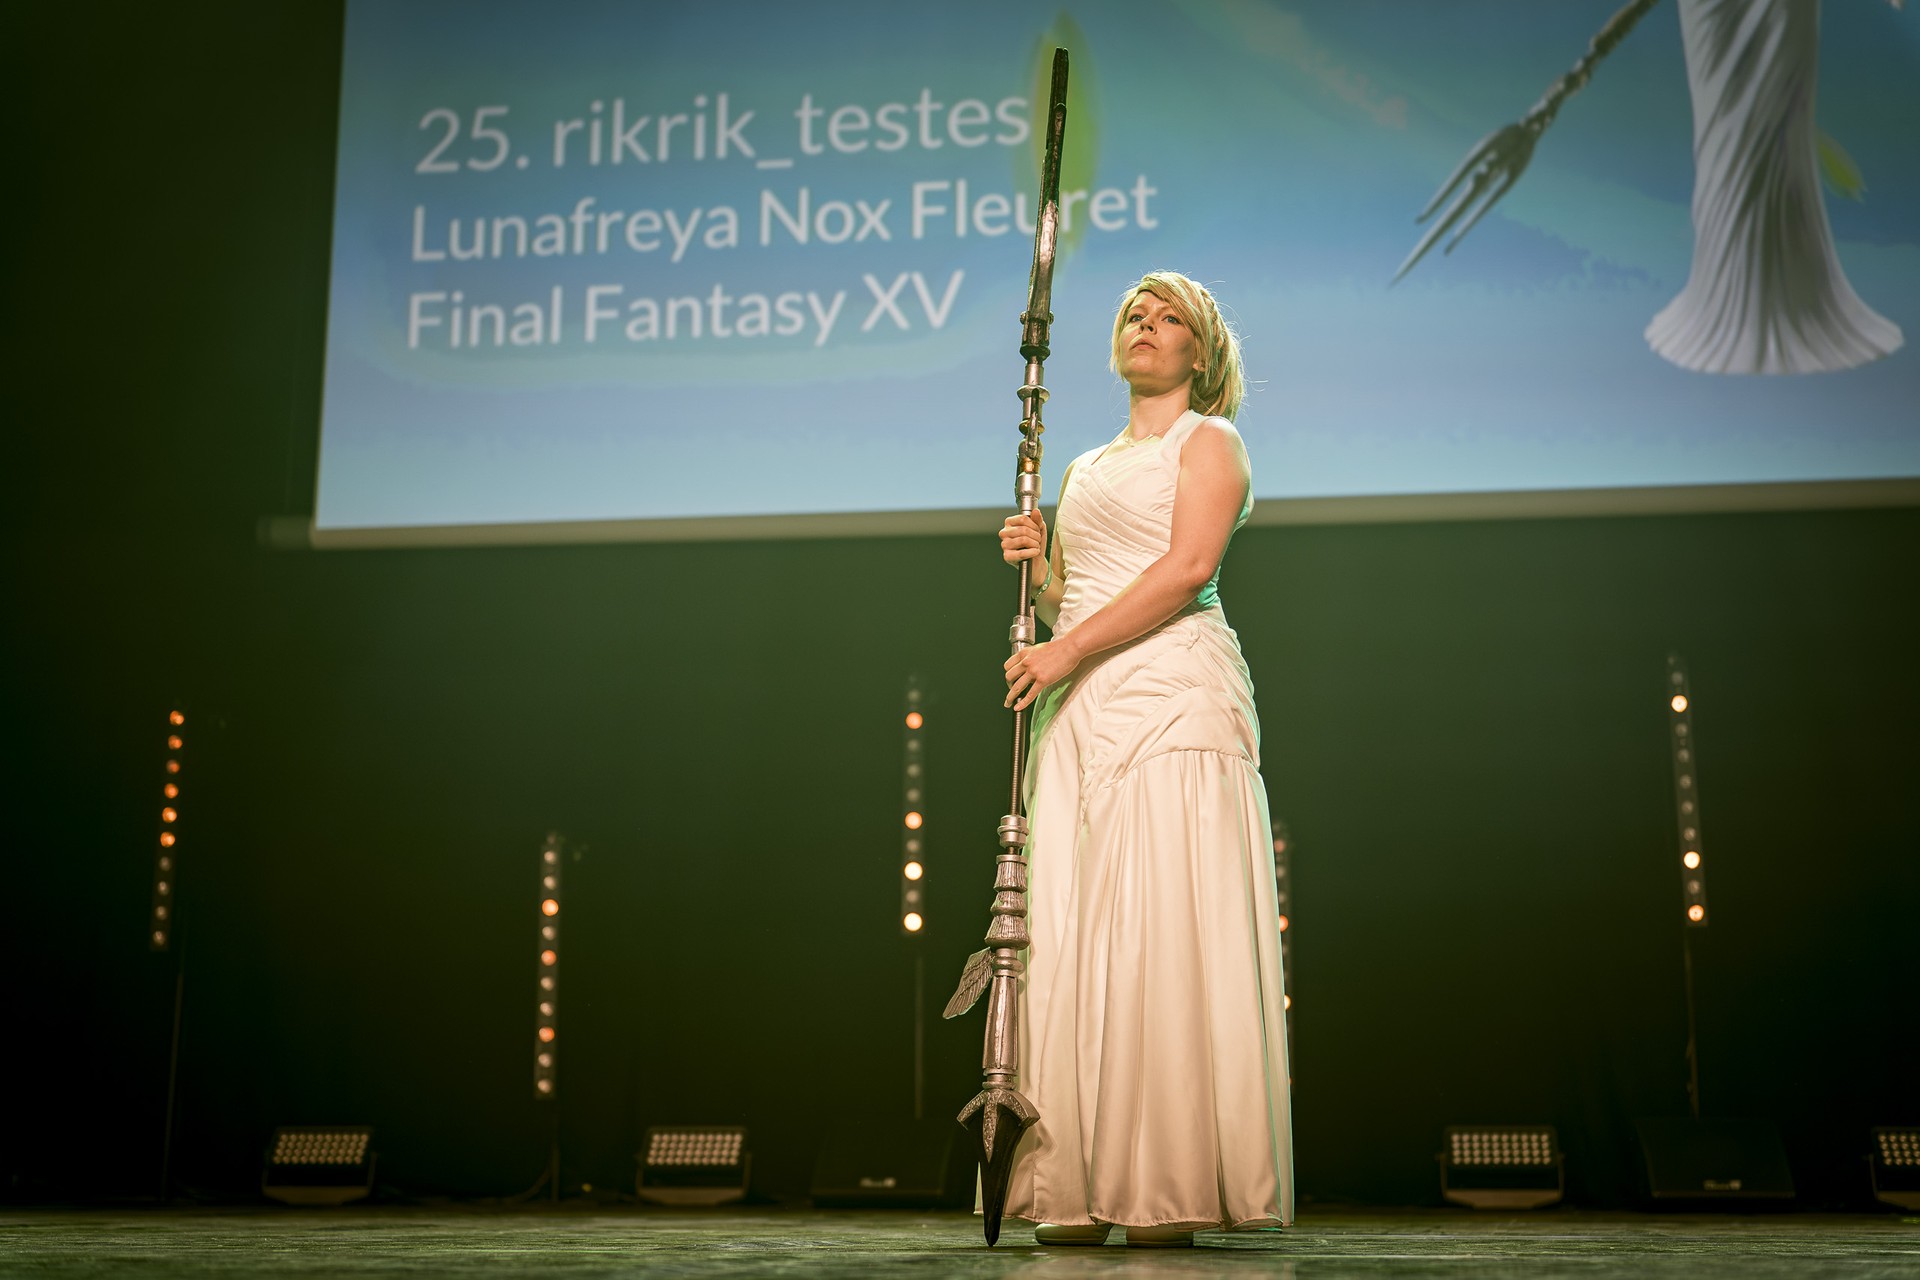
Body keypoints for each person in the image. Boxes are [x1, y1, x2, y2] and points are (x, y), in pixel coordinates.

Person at [996, 271, 1293, 1248]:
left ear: (1201, 353)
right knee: (1079, 928)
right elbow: (1072, 600)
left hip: (1171, 696)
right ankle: (1078, 1182)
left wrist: (1065, 649)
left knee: (1159, 924)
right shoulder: (1083, 466)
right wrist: (1038, 567)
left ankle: (1164, 1181)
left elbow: (1187, 569)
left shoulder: (1210, 442)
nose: (1148, 327)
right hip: (1082, 707)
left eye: (1170, 319)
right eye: (1136, 314)